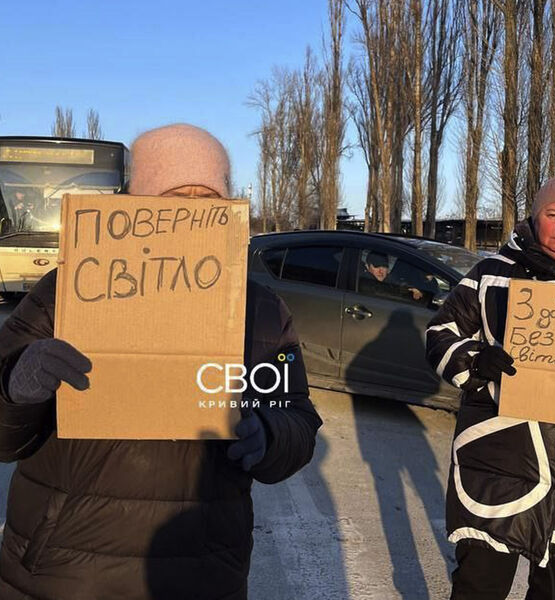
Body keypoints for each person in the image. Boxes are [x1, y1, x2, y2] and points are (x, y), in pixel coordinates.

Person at [0, 124, 322, 600]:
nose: (192, 213)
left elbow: (298, 420)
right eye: (174, 197)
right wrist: (16, 386)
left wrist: (270, 434)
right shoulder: (67, 291)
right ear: (137, 207)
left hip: (202, 573)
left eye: (208, 198)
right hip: (62, 573)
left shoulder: (261, 310)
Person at [426, 174, 555, 600]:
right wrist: (475, 361)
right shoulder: (491, 274)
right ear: (535, 216)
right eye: (553, 214)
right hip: (498, 462)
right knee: (479, 587)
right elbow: (440, 333)